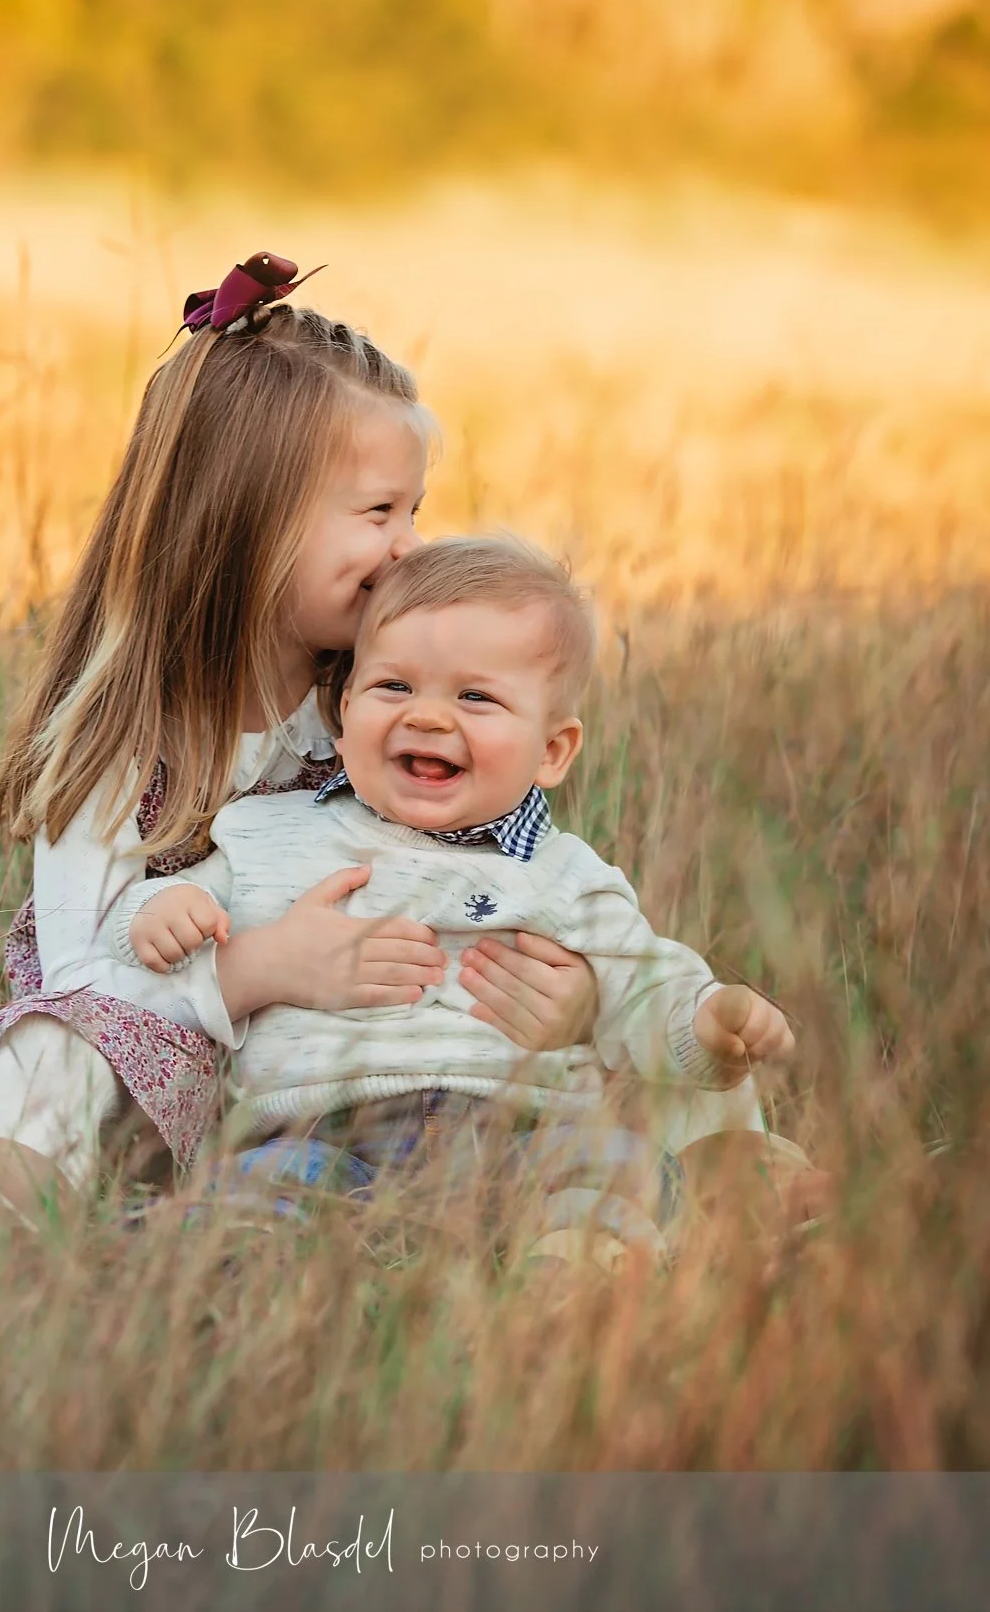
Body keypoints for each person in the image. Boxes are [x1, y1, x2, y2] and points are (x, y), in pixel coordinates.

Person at [0, 254, 603, 1237]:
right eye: (379, 512)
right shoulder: (119, 742)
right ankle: (2, 1225)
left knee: (591, 1088)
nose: (410, 547)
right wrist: (258, 969)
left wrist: (571, 987)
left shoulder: (385, 702)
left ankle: (698, 1174)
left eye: (415, 512)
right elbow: (78, 983)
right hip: (165, 1084)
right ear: (250, 520)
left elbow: (504, 863)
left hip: (344, 1074)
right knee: (46, 1046)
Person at [102, 534, 820, 1266]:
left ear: (551, 751)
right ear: (344, 712)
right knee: (259, 1187)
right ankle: (251, 1266)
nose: (428, 717)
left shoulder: (565, 875)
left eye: (474, 697)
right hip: (323, 1132)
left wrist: (704, 1022)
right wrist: (161, 914)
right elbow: (165, 918)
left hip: (521, 1134)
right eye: (394, 687)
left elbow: (642, 985)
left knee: (617, 1166)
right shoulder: (270, 833)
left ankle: (574, 1267)